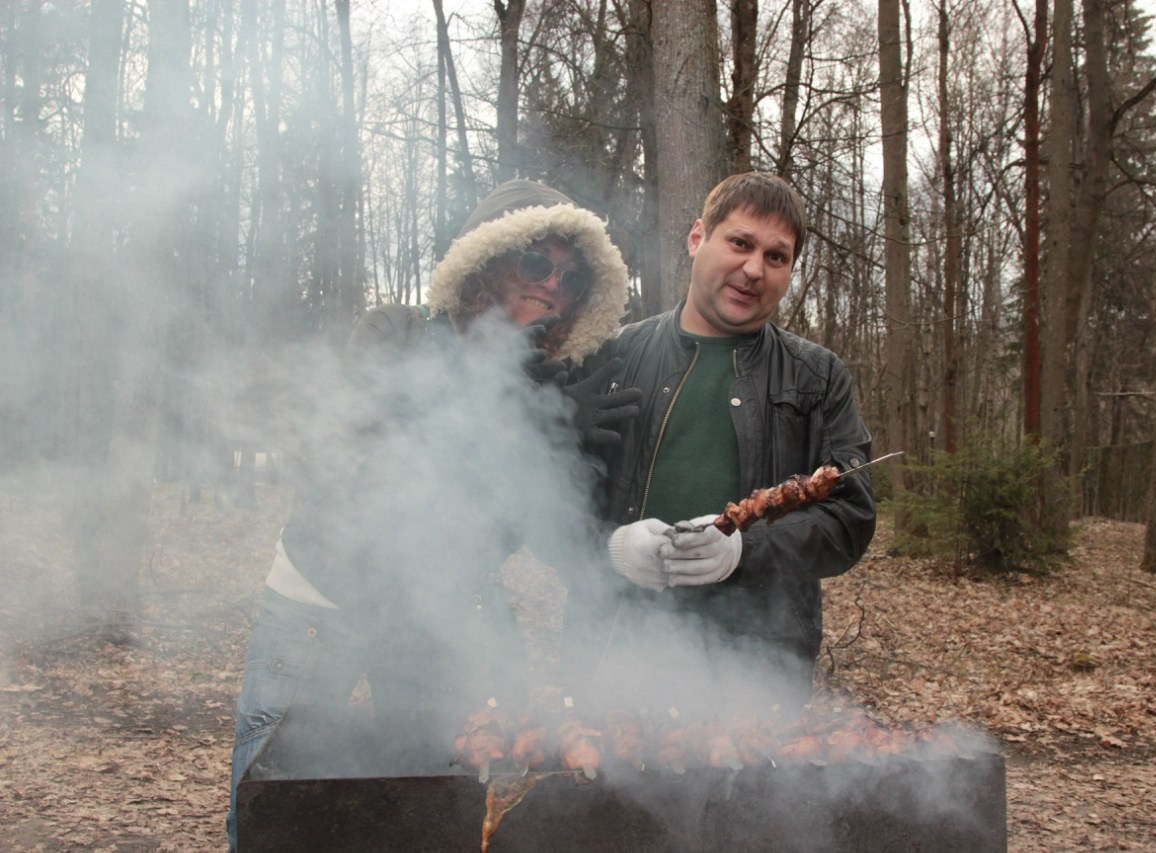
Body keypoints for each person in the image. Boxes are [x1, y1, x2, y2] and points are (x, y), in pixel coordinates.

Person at [226, 179, 638, 850]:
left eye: (570, 274)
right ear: (488, 259)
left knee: (429, 800)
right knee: (268, 800)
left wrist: (598, 496)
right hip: (318, 603)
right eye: (537, 261)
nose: (552, 284)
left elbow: (540, 530)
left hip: (429, 619)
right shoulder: (393, 332)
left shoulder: (543, 386)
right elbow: (367, 483)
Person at [564, 171, 876, 716]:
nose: (754, 269)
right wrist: (607, 548)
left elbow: (851, 518)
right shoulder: (612, 359)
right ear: (697, 239)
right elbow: (549, 499)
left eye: (776, 257)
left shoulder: (817, 377)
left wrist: (744, 547)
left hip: (757, 676)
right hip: (613, 661)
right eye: (739, 243)